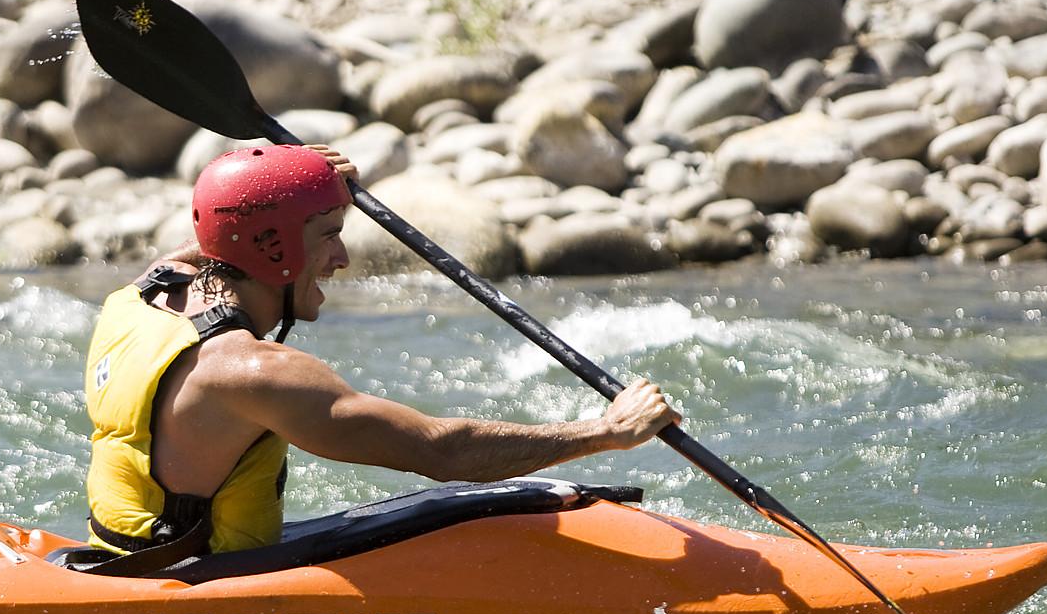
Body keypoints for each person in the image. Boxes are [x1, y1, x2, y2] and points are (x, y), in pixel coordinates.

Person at [83, 143, 680, 564]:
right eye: (328, 236)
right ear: (271, 246)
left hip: (122, 556)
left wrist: (295, 183)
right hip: (195, 588)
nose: (341, 259)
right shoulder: (252, 373)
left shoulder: (143, 294)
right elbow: (441, 450)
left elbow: (225, 230)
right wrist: (606, 432)